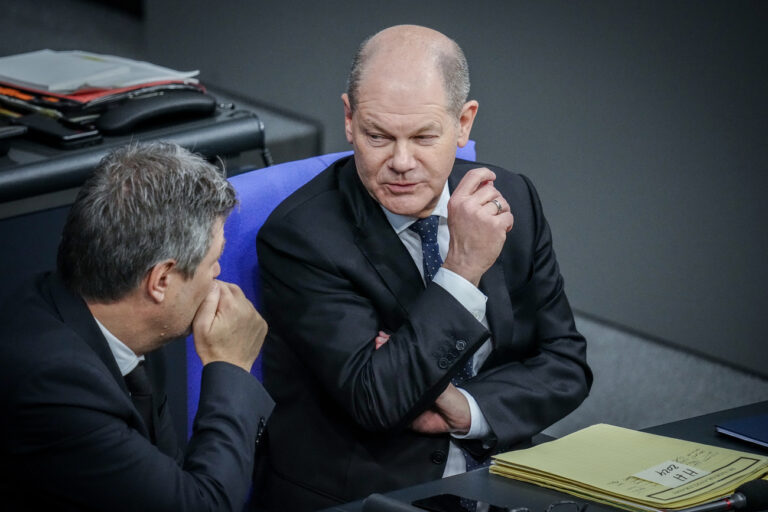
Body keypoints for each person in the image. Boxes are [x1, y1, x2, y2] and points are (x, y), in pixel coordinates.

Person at [255, 25, 593, 511]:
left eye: (423, 136)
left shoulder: (512, 198)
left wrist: (466, 409)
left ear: (463, 123)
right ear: (349, 119)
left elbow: (565, 364)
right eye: (377, 136)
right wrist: (460, 272)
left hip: (499, 472)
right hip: (370, 492)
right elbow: (376, 399)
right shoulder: (302, 237)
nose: (401, 162)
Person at [0, 142, 274, 511]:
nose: (218, 275)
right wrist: (232, 366)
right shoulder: (54, 387)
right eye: (215, 260)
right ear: (160, 280)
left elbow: (170, 479)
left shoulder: (117, 327)